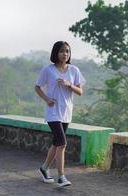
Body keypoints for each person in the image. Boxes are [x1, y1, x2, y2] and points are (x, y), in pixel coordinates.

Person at [35, 41, 85, 187]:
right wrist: (46, 99)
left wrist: (69, 84)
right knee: (62, 143)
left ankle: (44, 168)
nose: (65, 54)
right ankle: (61, 177)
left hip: (66, 112)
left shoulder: (74, 70)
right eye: (62, 51)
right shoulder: (48, 70)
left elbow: (80, 92)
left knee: (57, 143)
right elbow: (37, 87)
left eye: (67, 51)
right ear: (56, 53)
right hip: (53, 112)